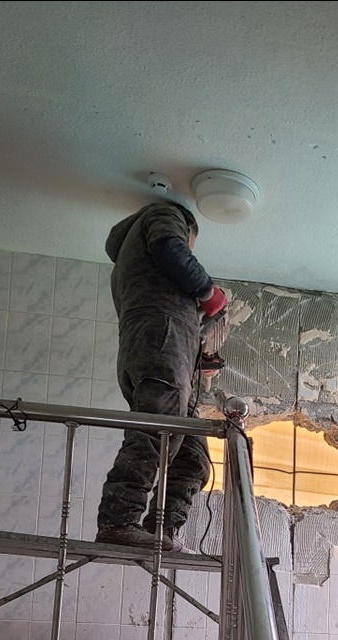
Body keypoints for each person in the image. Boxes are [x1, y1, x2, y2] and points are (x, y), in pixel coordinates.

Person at [95, 200, 228, 551]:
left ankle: (163, 530)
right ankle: (119, 519)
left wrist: (199, 353)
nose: (189, 249)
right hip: (162, 342)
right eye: (191, 244)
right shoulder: (164, 213)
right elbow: (169, 246)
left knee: (192, 456)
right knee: (156, 433)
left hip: (164, 347)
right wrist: (208, 292)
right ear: (189, 229)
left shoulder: (131, 267)